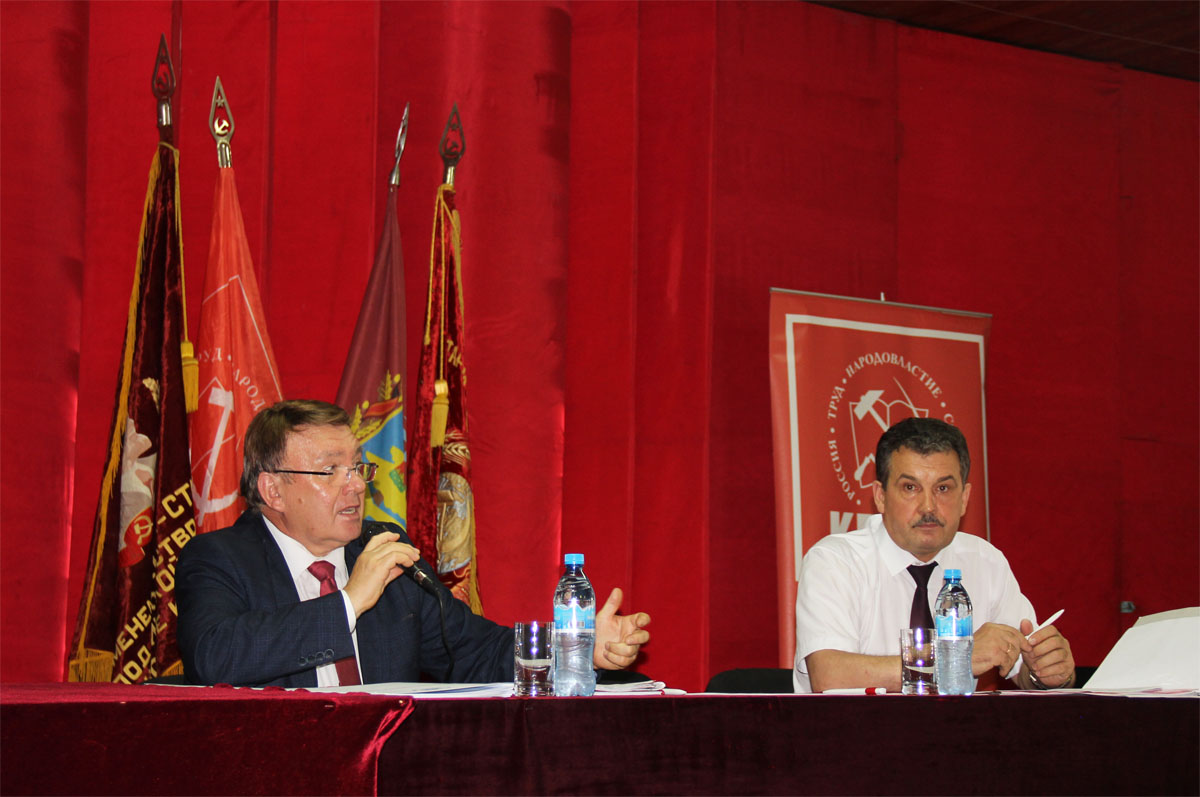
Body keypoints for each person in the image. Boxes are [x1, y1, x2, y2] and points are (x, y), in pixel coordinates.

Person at [177, 399, 650, 687]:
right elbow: (213, 658)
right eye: (330, 471)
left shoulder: (383, 549)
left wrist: (574, 648)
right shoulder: (218, 558)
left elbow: (473, 651)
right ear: (273, 490)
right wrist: (349, 603)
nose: (356, 485)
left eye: (357, 467)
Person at [793, 417, 1074, 693]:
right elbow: (828, 675)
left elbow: (1025, 669)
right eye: (910, 488)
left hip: (960, 725)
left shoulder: (985, 561)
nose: (928, 506)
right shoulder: (835, 561)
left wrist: (1045, 673)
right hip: (856, 725)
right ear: (880, 496)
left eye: (943, 488)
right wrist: (953, 659)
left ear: (964, 498)